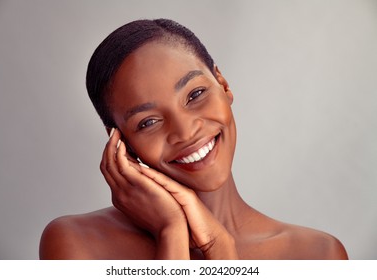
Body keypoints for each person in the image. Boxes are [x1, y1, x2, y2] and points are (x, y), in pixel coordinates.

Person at [39, 18, 348, 260]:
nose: (185, 132)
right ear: (119, 142)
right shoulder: (76, 243)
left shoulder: (317, 255)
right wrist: (171, 231)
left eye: (195, 94)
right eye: (148, 122)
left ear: (223, 84)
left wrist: (219, 247)